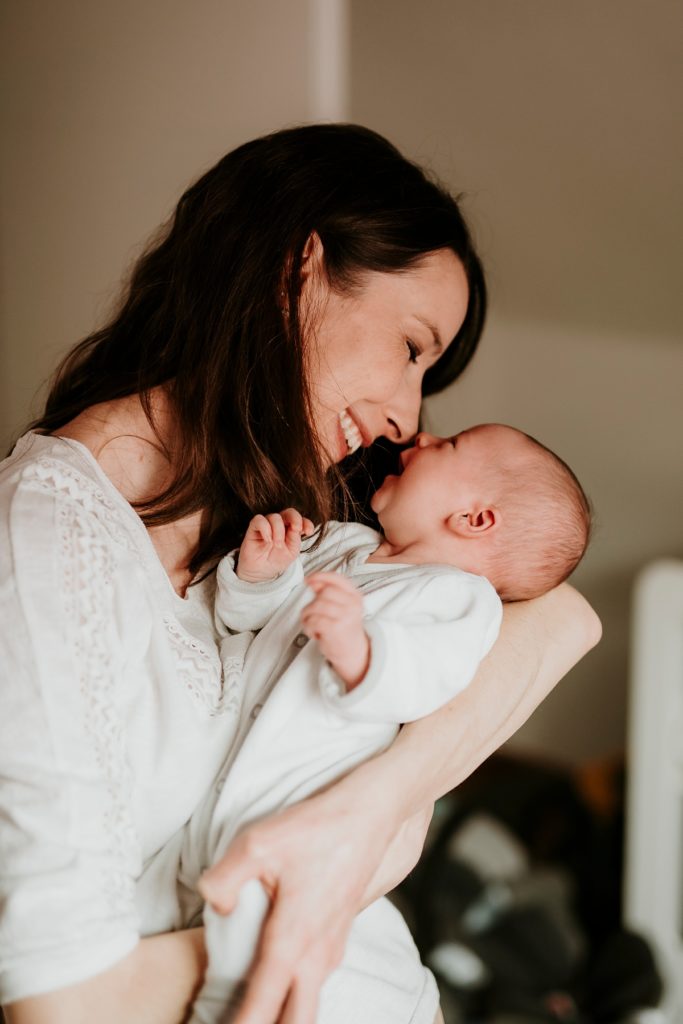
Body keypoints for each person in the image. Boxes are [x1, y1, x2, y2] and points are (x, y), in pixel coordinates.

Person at [0, 124, 601, 1024]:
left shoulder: (286, 528)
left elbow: (561, 613)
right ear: (297, 270)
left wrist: (364, 816)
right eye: (411, 347)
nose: (407, 417)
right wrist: (317, 896)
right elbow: (63, 1002)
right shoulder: (44, 534)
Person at [169, 422, 591, 1023]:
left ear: (474, 519)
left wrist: (360, 650)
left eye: (447, 448)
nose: (421, 440)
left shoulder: (457, 600)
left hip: (297, 789)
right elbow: (252, 623)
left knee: (250, 937)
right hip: (225, 774)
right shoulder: (342, 542)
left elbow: (426, 678)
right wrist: (261, 577)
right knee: (189, 890)